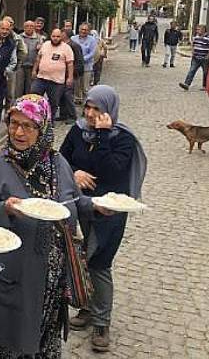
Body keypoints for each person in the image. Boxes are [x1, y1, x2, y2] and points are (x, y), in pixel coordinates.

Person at [0, 94, 109, 358]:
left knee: (43, 339)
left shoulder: (57, 164)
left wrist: (95, 206)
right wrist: (4, 208)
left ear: (42, 128)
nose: (18, 132)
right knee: (7, 340)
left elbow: (72, 200)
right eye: (13, 123)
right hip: (13, 274)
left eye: (28, 125)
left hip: (52, 278)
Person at [61, 85, 147, 352]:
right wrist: (74, 174)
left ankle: (101, 322)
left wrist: (102, 135)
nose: (90, 113)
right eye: (87, 107)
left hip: (109, 210)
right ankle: (87, 307)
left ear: (109, 110)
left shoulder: (122, 139)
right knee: (81, 255)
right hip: (81, 205)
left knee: (99, 261)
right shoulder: (77, 129)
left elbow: (111, 171)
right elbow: (61, 159)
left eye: (97, 109)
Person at [31, 28, 74, 119]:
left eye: (58, 36)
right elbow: (38, 58)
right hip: (41, 78)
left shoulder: (66, 48)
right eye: (53, 36)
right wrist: (34, 70)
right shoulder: (45, 45)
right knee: (34, 97)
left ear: (61, 37)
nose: (55, 38)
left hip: (57, 81)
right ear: (50, 36)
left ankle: (50, 120)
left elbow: (70, 64)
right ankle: (35, 117)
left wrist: (70, 77)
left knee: (53, 102)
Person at [59, 29, 84, 123]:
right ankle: (63, 114)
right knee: (62, 95)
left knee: (68, 95)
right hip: (62, 74)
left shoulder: (74, 46)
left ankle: (72, 116)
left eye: (61, 33)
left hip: (70, 74)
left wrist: (73, 74)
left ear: (66, 35)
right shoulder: (62, 45)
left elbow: (79, 61)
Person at [179, 25, 209, 91]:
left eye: (199, 29)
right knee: (192, 70)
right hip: (196, 58)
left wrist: (208, 56)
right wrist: (193, 51)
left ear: (203, 30)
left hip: (205, 58)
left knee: (205, 72)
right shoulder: (196, 37)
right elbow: (193, 45)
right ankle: (186, 84)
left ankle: (205, 86)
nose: (197, 31)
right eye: (197, 29)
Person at [71, 23, 98, 104]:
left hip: (86, 66)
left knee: (85, 86)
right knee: (76, 85)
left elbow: (92, 53)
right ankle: (77, 99)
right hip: (75, 66)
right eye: (82, 29)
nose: (83, 31)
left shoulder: (92, 40)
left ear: (89, 31)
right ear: (79, 30)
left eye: (85, 30)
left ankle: (87, 102)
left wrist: (81, 59)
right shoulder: (73, 38)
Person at [16, 20, 43, 97]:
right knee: (18, 89)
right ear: (24, 28)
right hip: (20, 66)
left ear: (34, 27)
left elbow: (40, 53)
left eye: (31, 26)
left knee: (30, 89)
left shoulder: (39, 38)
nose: (29, 28)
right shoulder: (19, 37)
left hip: (32, 67)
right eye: (27, 26)